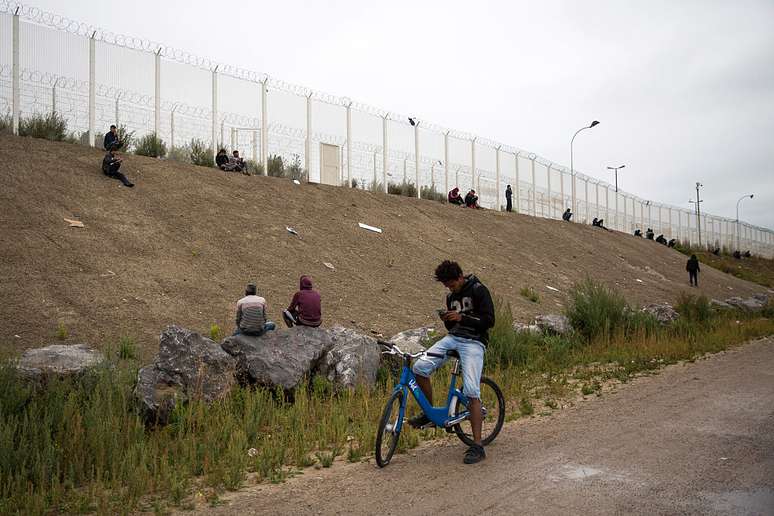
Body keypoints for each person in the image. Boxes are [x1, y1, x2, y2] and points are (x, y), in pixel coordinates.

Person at [410, 260, 494, 465]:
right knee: (419, 367)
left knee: (472, 391)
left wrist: (461, 318)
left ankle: (477, 446)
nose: (449, 289)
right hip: (454, 338)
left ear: (460, 277)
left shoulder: (478, 289)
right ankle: (429, 414)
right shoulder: (451, 296)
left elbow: (489, 321)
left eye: (451, 285)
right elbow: (452, 326)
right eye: (446, 286)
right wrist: (448, 319)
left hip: (474, 342)